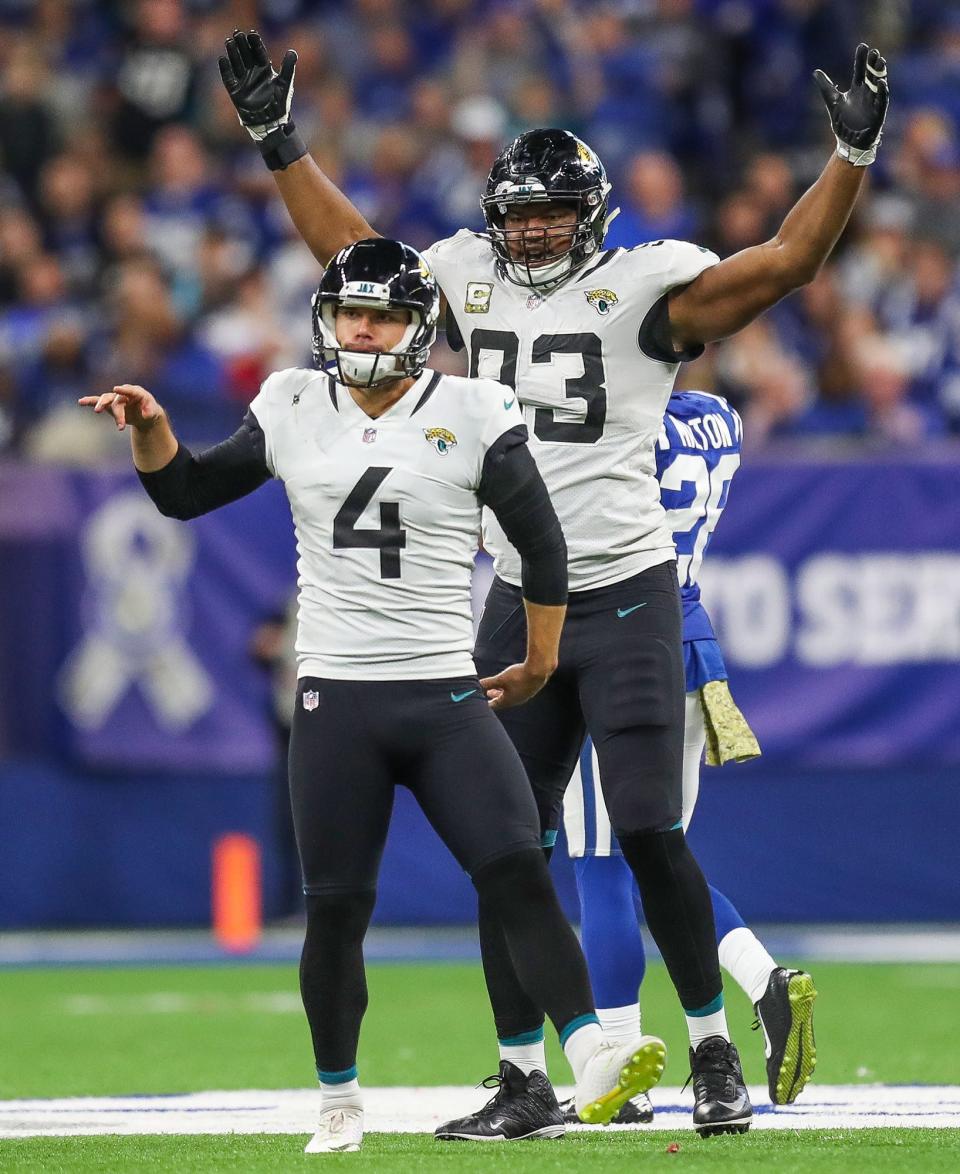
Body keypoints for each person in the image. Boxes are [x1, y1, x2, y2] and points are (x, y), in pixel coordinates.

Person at [217, 29, 888, 1138]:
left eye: (549, 211)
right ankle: (525, 1073)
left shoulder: (647, 287)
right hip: (515, 591)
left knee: (647, 833)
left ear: (594, 214)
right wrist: (278, 141)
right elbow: (355, 260)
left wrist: (850, 161)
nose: (529, 230)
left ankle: (715, 1050)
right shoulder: (462, 280)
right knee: (506, 849)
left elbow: (783, 264)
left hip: (626, 592)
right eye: (517, 211)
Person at [78, 238, 667, 1153]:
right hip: (335, 701)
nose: (362, 327)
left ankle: (591, 1053)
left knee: (516, 866)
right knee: (339, 908)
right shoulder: (293, 401)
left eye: (382, 313)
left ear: (418, 325)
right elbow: (187, 494)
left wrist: (543, 659)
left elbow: (543, 546)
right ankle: (339, 1101)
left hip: (444, 692)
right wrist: (153, 430)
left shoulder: (472, 406)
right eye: (350, 311)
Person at [559, 390, 816, 1128]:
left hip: (614, 643)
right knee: (660, 857)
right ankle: (761, 977)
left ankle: (617, 1065)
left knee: (602, 861)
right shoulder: (720, 414)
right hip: (689, 640)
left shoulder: (608, 419)